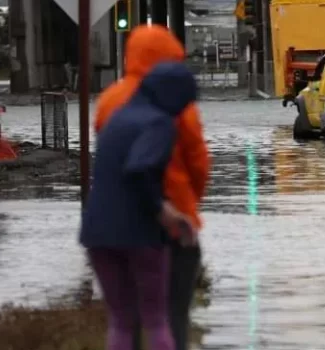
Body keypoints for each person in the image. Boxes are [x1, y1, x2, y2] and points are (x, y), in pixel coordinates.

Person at [94, 24, 210, 350]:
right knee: (170, 316)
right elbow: (198, 162)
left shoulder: (109, 101)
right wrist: (188, 206)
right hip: (171, 224)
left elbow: (108, 160)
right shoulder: (175, 104)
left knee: (122, 319)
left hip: (120, 223)